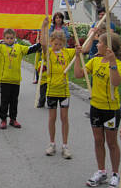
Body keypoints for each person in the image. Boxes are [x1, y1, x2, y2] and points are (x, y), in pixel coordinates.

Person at [75, 32, 121, 188]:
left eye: (100, 43)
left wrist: (112, 63)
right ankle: (101, 171)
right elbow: (78, 74)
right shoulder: (95, 60)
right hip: (95, 106)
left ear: (108, 47)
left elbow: (116, 82)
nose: (97, 44)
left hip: (111, 109)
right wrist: (77, 57)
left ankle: (115, 174)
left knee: (111, 143)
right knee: (98, 140)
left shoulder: (117, 63)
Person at [0, 29, 40, 129]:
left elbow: (30, 49)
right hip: (5, 80)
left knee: (14, 101)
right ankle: (3, 119)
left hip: (16, 80)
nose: (9, 40)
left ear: (14, 38)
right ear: (4, 38)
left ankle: (13, 119)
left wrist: (40, 44)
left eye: (11, 38)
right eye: (7, 38)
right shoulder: (0, 48)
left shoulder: (19, 48)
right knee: (4, 101)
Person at [41, 17, 75, 159]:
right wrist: (44, 27)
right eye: (55, 43)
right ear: (51, 42)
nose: (57, 46)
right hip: (52, 90)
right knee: (52, 118)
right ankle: (52, 143)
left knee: (64, 118)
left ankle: (65, 145)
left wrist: (91, 36)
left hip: (64, 91)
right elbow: (42, 44)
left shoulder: (67, 53)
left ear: (64, 43)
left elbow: (82, 49)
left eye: (60, 44)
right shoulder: (48, 53)